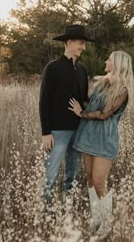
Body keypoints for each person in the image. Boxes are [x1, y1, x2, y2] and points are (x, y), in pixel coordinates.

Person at [68, 51, 134, 239]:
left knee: (99, 181)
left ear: (118, 65)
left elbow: (104, 114)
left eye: (110, 60)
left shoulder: (123, 91)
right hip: (87, 134)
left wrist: (81, 113)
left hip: (105, 139)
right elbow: (91, 103)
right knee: (89, 178)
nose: (106, 61)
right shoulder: (102, 83)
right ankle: (96, 218)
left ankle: (107, 223)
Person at [39, 24, 95, 210]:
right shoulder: (53, 67)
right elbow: (44, 101)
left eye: (84, 44)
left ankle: (66, 209)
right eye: (81, 43)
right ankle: (46, 213)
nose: (83, 47)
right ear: (69, 42)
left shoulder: (82, 69)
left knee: (72, 172)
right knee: (51, 173)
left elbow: (84, 99)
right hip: (57, 132)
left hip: (78, 130)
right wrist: (46, 132)